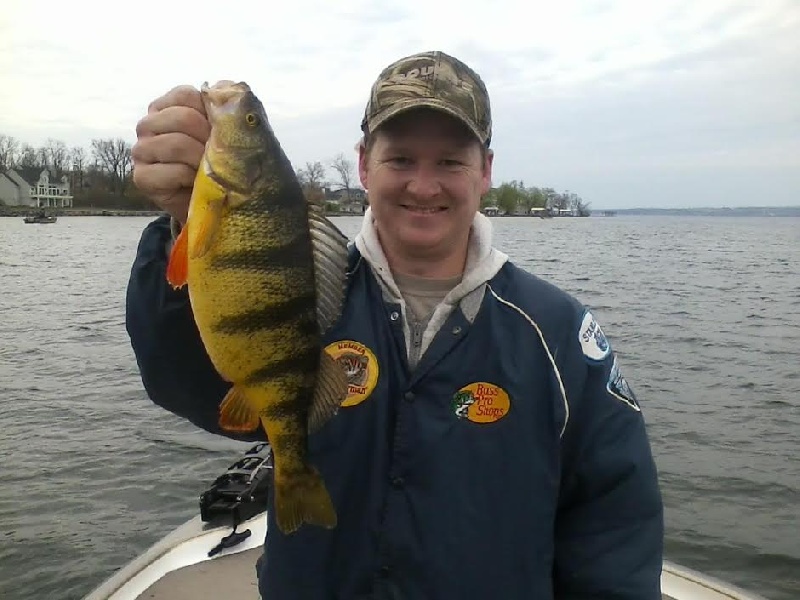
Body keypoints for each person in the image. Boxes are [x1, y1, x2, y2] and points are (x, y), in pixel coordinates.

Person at [126, 50, 664, 599]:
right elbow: (181, 379)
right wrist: (180, 224)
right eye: (401, 159)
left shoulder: (557, 336)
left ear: (486, 171)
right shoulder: (307, 295)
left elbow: (613, 522)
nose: (424, 187)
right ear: (363, 165)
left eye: (450, 162)